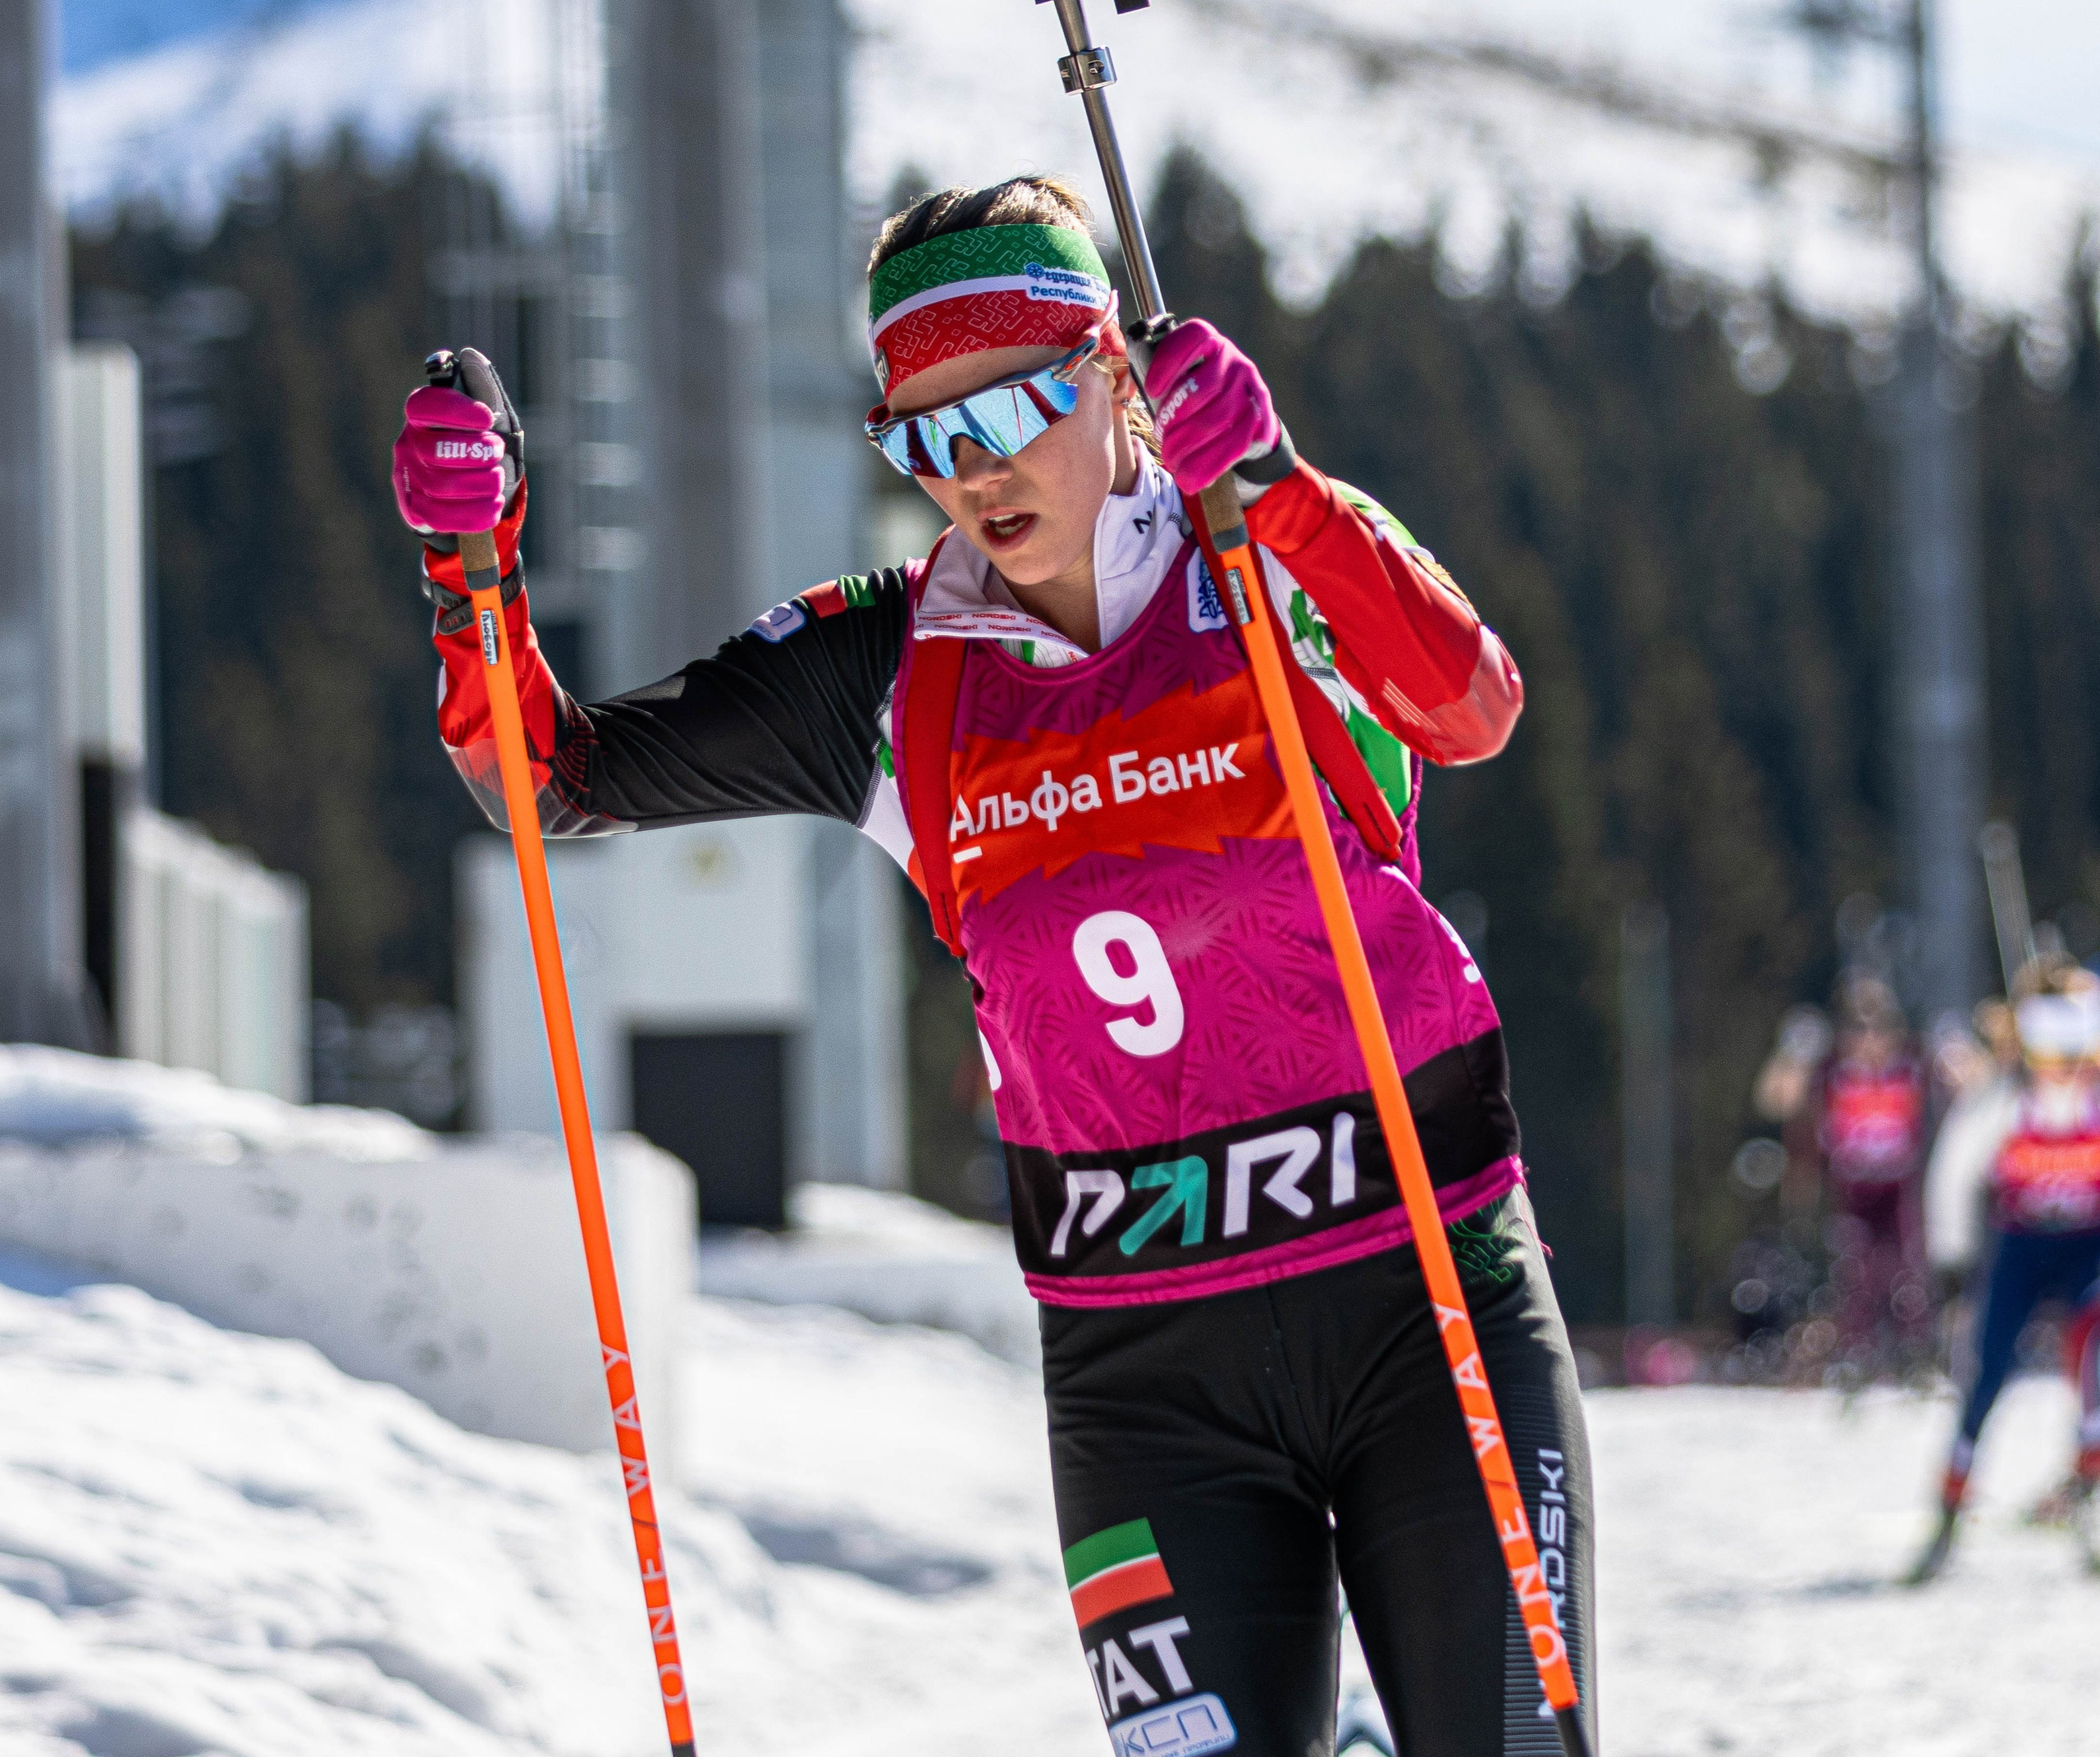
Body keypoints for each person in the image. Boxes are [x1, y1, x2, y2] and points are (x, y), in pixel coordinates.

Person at [392, 176, 1595, 1754]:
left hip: (1420, 1294)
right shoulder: (893, 669)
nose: (975, 470)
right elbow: (556, 782)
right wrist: (468, 584)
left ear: (1113, 370)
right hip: (1144, 1362)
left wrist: (1288, 488)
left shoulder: (1264, 546)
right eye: (924, 435)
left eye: (1013, 406)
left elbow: (1470, 705)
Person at [1912, 958, 2100, 1578]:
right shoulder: (2003, 1095)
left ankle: (2086, 1485)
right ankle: (1950, 1509)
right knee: (1987, 1373)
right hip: (2021, 1245)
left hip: (2087, 1246)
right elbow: (1954, 1173)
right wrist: (1952, 1260)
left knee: (2095, 1344)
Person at [1754, 976, 1933, 1374]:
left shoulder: (1912, 1063)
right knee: (1856, 1272)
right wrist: (1792, 1055)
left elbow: (1972, 1081)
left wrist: (1960, 1049)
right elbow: (1773, 1101)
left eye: (1880, 1027)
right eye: (1858, 1028)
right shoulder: (1832, 1068)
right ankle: (1857, 1354)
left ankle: (1913, 1354)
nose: (1869, 1039)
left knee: (1907, 1271)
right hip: (1851, 1186)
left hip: (1899, 1184)